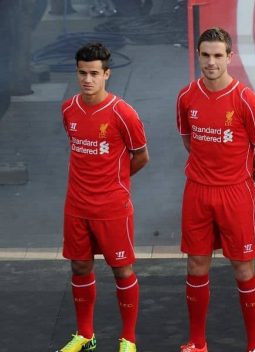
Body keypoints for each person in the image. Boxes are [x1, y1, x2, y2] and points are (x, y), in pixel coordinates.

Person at [176, 27, 255, 352]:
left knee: (243, 267)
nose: (211, 62)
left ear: (229, 57)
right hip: (198, 192)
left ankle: (254, 346)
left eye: (218, 55)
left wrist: (239, 177)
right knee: (195, 265)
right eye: (205, 55)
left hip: (235, 193)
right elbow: (189, 140)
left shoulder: (247, 99)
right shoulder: (186, 96)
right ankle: (197, 342)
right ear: (198, 56)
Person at [57, 42, 149, 352]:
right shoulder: (68, 108)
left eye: (94, 73)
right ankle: (85, 335)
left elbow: (141, 156)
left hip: (112, 207)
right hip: (76, 206)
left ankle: (129, 339)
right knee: (79, 268)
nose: (87, 79)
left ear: (107, 74)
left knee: (122, 270)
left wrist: (115, 180)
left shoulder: (123, 113)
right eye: (82, 73)